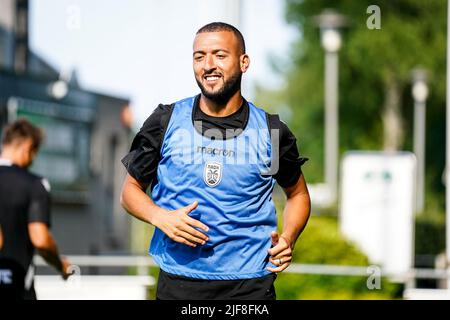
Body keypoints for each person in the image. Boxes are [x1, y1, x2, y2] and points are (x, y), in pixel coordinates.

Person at [121, 22, 311, 300]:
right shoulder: (166, 121)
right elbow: (129, 192)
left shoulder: (270, 131)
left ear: (244, 62)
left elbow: (298, 195)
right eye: (200, 56)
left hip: (250, 286)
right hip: (178, 281)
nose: (208, 65)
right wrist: (159, 216)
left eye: (220, 55)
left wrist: (289, 238)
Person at [0, 119, 71, 300]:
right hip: (16, 288)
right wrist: (60, 265)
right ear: (28, 147)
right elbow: (40, 240)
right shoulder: (34, 185)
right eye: (34, 153)